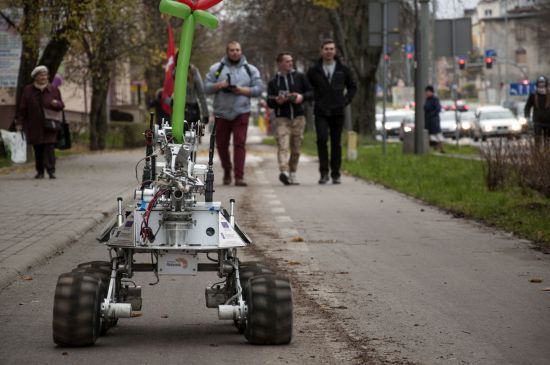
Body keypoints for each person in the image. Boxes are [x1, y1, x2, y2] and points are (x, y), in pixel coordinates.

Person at [204, 41, 263, 186]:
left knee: (239, 144)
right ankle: (227, 170)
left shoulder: (250, 69)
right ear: (227, 52)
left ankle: (239, 176)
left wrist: (243, 90)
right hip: (221, 113)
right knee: (221, 145)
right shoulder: (216, 69)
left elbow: (259, 89)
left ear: (241, 51)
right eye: (232, 50)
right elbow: (206, 88)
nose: (235, 52)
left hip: (241, 111)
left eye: (237, 50)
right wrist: (220, 85)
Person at [307, 39, 356, 185]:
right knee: (322, 140)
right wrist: (312, 99)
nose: (329, 51)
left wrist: (345, 100)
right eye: (326, 49)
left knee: (336, 143)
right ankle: (323, 173)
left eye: (331, 49)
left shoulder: (343, 69)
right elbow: (307, 88)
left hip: (337, 110)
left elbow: (353, 86)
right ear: (321, 51)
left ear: (335, 51)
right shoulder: (313, 70)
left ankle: (336, 174)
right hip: (321, 110)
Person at [267, 52, 313, 185]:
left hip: (298, 118)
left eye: (291, 61)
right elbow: (269, 101)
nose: (290, 63)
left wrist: (301, 97)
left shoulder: (300, 77)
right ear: (280, 63)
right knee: (283, 146)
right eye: (287, 61)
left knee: (296, 149)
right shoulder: (273, 82)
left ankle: (293, 173)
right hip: (282, 118)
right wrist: (277, 101)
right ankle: (284, 172)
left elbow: (311, 92)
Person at [16, 65, 64, 179]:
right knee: (38, 148)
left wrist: (56, 103)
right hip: (34, 125)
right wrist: (19, 122)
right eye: (41, 75)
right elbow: (23, 108)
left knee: (50, 147)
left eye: (45, 75)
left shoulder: (53, 89)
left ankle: (51, 170)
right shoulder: (28, 90)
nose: (44, 77)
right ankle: (40, 171)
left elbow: (62, 105)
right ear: (35, 77)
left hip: (50, 124)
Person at [524, 75, 550, 148]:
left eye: (543, 83)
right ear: (537, 84)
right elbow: (527, 107)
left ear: (546, 84)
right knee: (537, 140)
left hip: (548, 121)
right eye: (539, 83)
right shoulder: (533, 95)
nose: (541, 86)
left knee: (547, 140)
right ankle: (538, 154)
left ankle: (546, 154)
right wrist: (527, 117)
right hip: (537, 121)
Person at [424, 85, 444, 153]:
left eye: (428, 92)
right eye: (426, 92)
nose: (427, 93)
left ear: (431, 92)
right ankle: (433, 149)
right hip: (428, 121)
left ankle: (440, 148)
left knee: (437, 135)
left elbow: (438, 109)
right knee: (430, 136)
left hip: (434, 121)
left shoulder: (435, 100)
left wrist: (432, 115)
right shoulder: (427, 100)